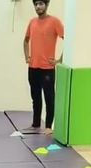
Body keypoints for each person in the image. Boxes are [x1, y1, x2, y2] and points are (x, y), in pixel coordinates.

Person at [23, 0, 64, 134]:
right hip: (33, 67)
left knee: (49, 98)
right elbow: (26, 40)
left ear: (46, 5)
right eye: (36, 4)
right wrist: (27, 57)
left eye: (41, 4)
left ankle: (48, 126)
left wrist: (59, 60)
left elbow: (68, 40)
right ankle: (35, 124)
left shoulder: (54, 22)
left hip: (47, 68)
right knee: (35, 97)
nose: (38, 7)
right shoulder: (32, 22)